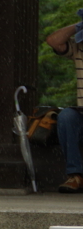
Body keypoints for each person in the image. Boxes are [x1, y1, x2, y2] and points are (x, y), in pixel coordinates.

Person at [45, 20, 83, 192]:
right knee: (66, 116)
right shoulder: (79, 47)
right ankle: (75, 176)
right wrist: (79, 25)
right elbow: (54, 41)